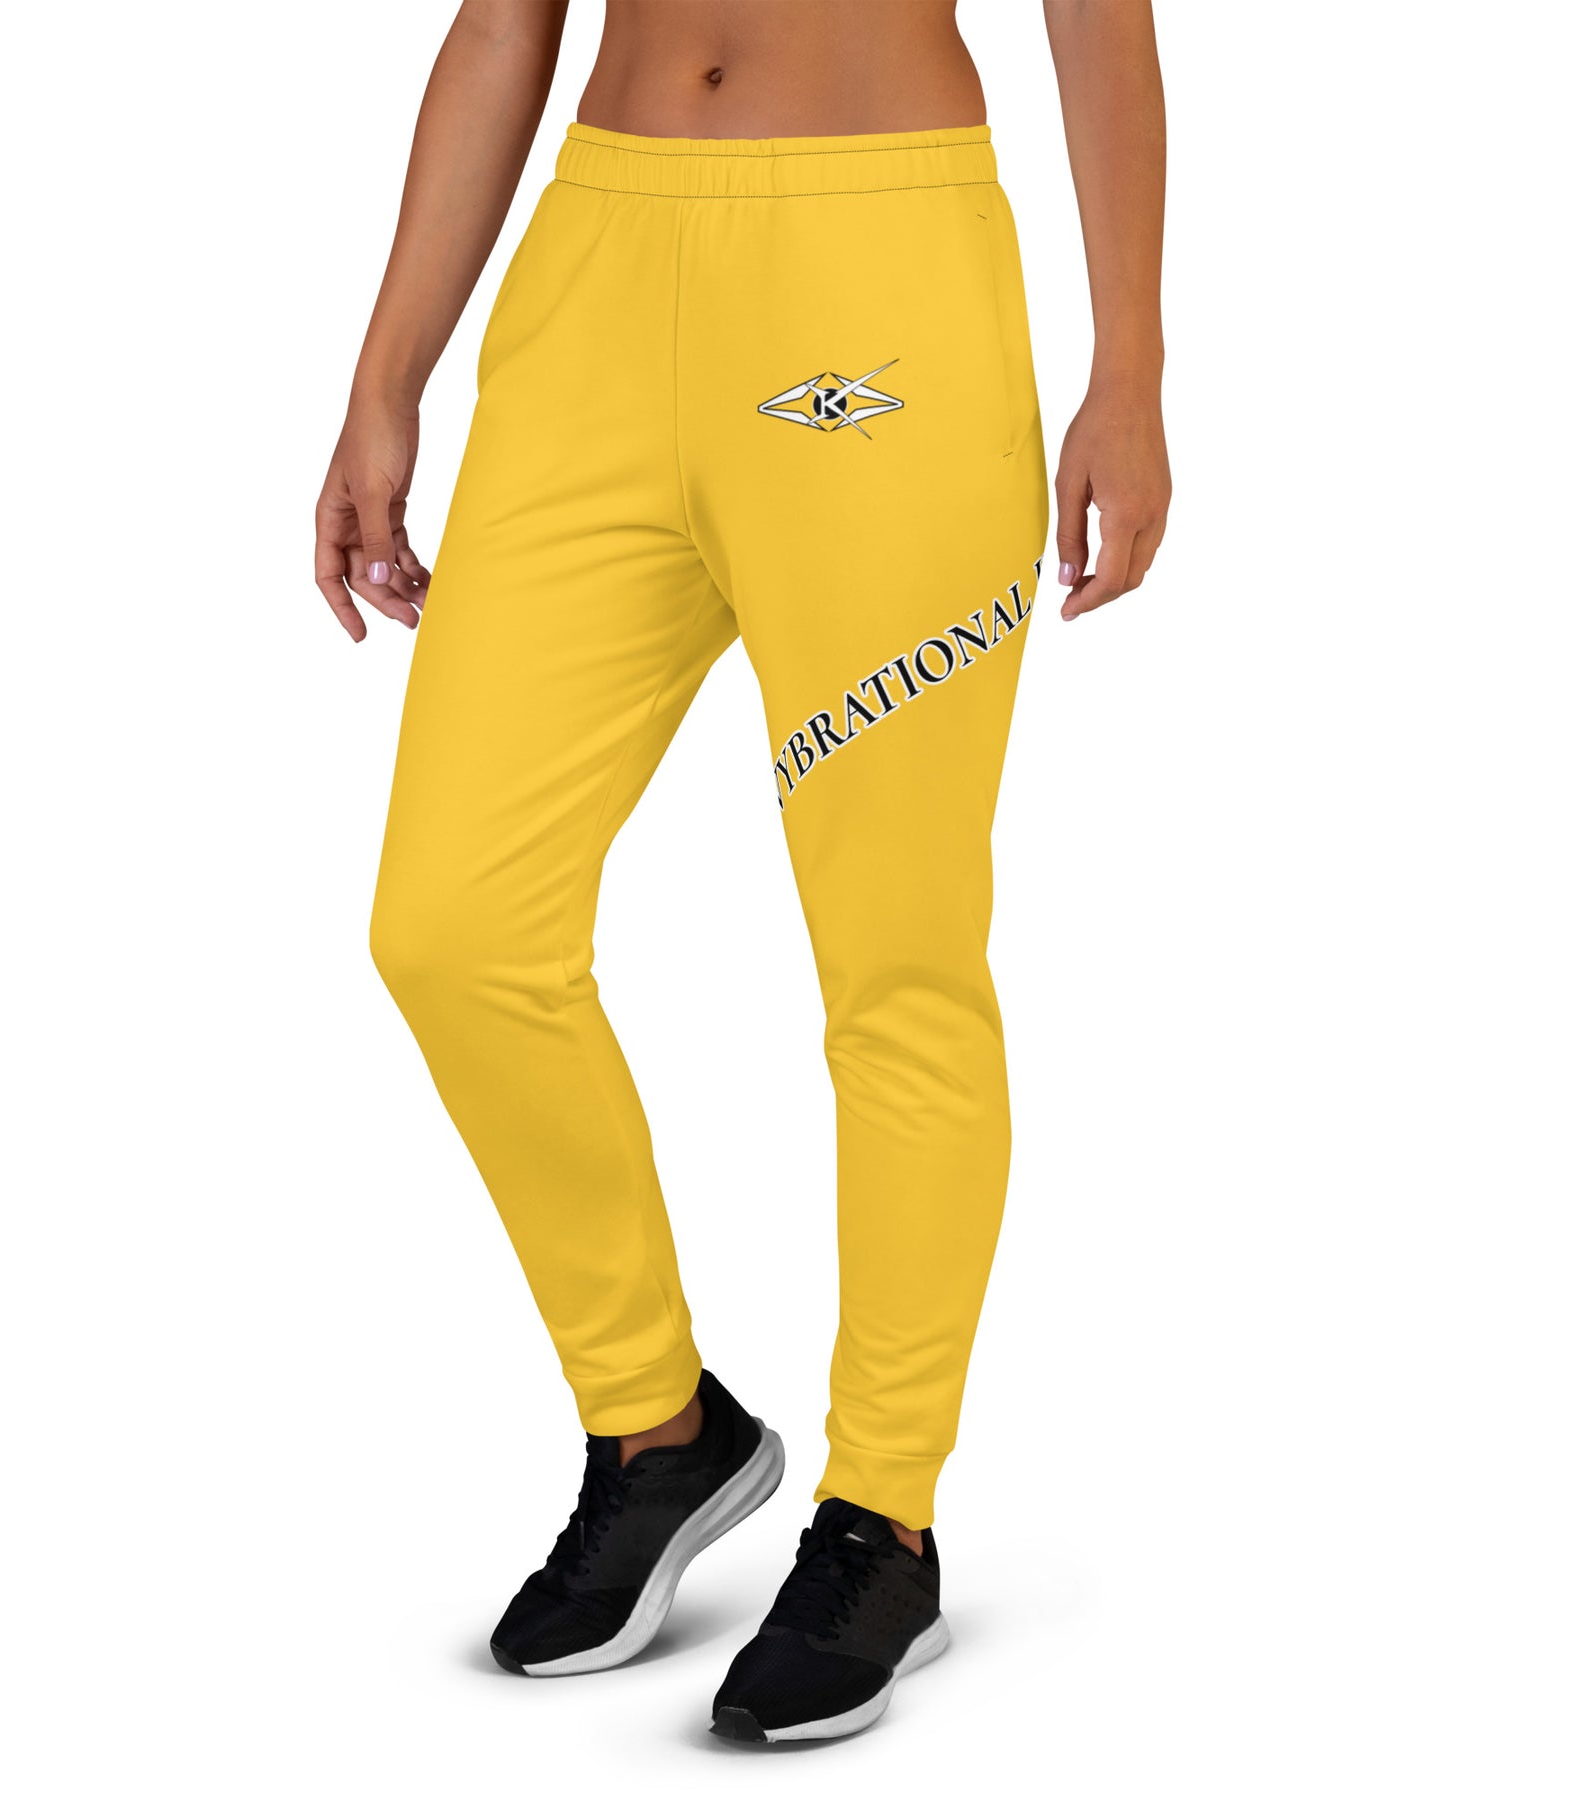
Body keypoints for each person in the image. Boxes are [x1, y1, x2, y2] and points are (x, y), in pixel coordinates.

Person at [315, 0, 1168, 1743]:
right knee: (452, 922)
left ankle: (885, 1518)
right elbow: (503, 21)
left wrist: (1132, 364)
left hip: (881, 282)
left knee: (894, 956)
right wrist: (384, 378)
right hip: (596, 284)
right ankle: (660, 1427)